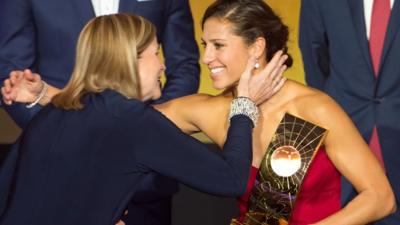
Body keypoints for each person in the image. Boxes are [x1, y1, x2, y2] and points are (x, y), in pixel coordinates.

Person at [2, 0, 396, 224]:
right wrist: (46, 94)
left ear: (257, 47)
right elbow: (109, 118)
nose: (205, 59)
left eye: (218, 46)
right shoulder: (205, 110)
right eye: (203, 45)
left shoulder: (314, 108)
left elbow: (380, 198)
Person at [0, 13, 287, 225]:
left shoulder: (50, 115)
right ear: (132, 60)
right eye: (155, 53)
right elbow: (231, 180)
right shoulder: (132, 121)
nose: (162, 64)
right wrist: (245, 104)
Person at [0, 0, 200, 223]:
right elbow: (12, 76)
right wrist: (66, 144)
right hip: (57, 175)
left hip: (143, 180)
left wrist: (144, 130)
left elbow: (184, 66)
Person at [299, 1, 400, 224]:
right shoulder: (290, 121)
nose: (209, 57)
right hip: (342, 144)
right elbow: (315, 58)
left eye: (218, 45)